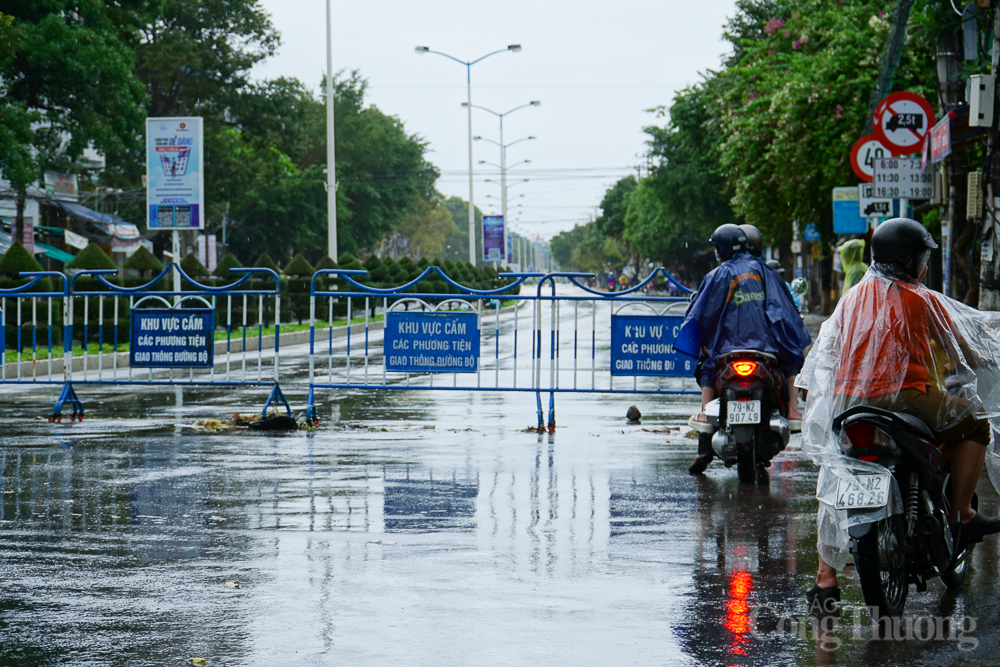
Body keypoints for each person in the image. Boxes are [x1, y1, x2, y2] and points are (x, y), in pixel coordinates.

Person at [798, 218, 1000, 609]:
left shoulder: (851, 298)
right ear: (911, 260)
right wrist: (985, 357)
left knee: (836, 474)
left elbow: (824, 355)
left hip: (849, 405)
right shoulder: (921, 299)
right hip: (903, 400)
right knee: (975, 424)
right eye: (923, 257)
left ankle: (825, 580)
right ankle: (962, 511)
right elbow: (964, 347)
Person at [676, 224, 811, 474]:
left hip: (726, 350)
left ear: (721, 250)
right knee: (793, 358)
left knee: (706, 366)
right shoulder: (766, 271)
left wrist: (704, 341)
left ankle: (706, 417)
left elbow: (701, 313)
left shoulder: (716, 275)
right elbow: (784, 311)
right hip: (766, 349)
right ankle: (793, 410)